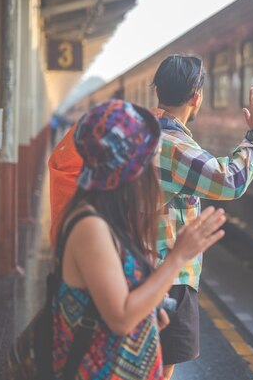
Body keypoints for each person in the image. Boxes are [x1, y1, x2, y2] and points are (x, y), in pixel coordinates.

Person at [52, 99, 227, 379]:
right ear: (129, 166)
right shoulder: (91, 227)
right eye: (148, 157)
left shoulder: (107, 217)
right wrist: (178, 258)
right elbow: (121, 318)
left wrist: (150, 309)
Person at [151, 54, 253, 379]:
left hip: (143, 266)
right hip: (170, 277)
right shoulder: (174, 146)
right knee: (161, 370)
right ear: (196, 96)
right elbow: (230, 181)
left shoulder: (146, 136)